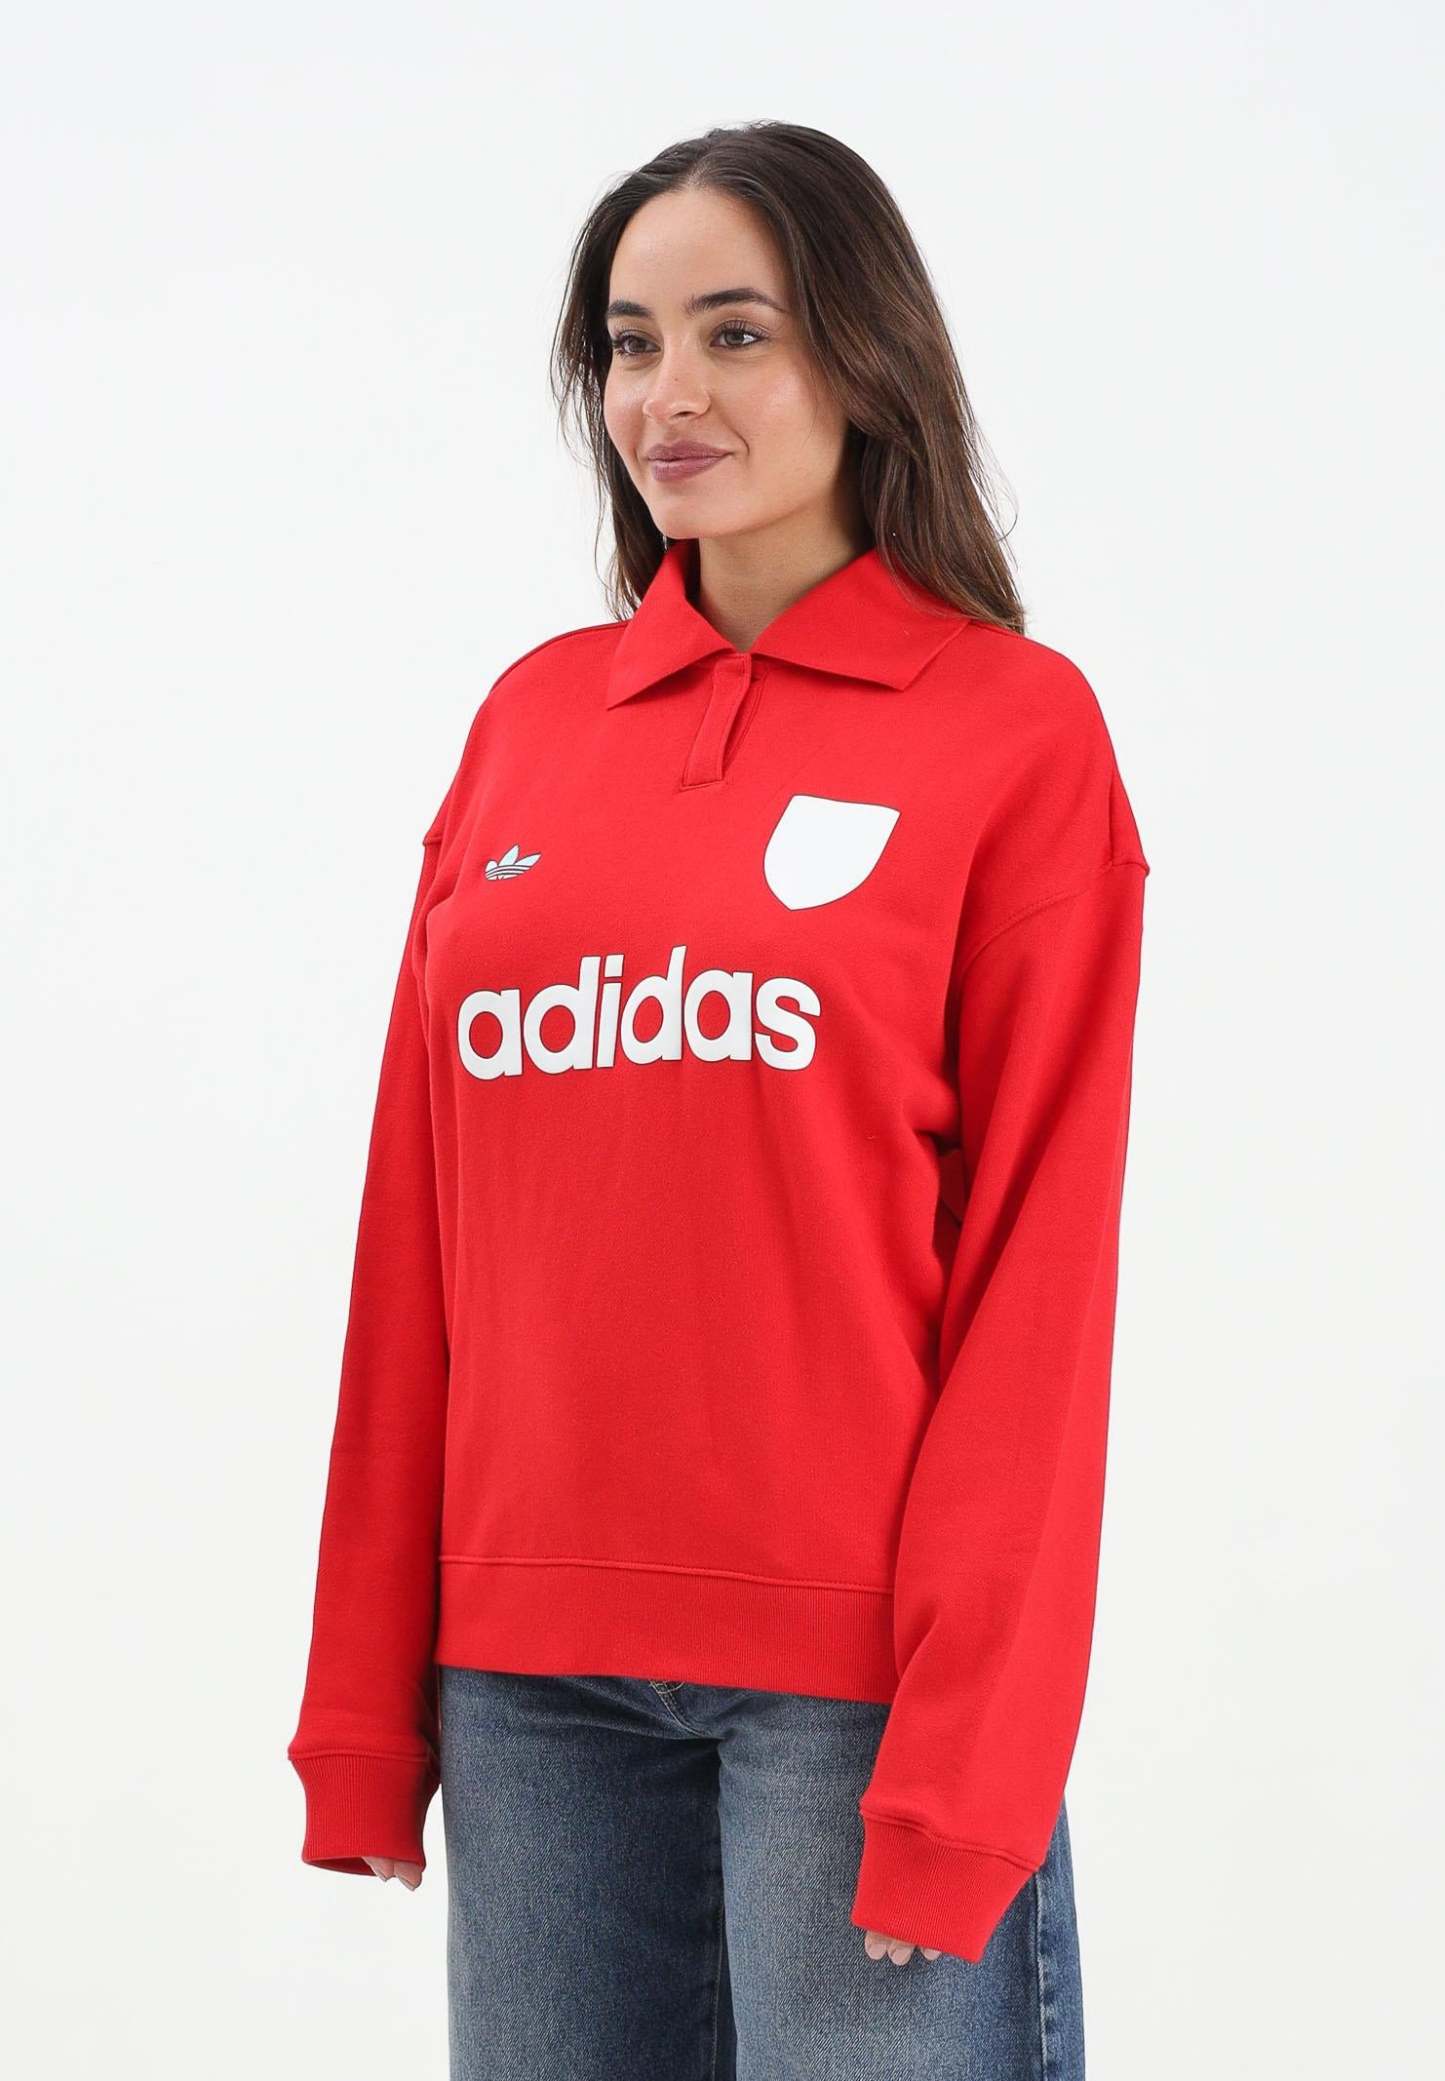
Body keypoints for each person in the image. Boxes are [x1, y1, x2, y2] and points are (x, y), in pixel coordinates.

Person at [287, 118, 1150, 2079]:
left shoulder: (1013, 736)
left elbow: (1039, 1290)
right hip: (525, 1683)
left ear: (864, 354)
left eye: (734, 334)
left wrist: (966, 1763)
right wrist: (363, 1704)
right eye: (629, 342)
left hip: (856, 1701)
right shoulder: (529, 727)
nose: (666, 394)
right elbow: (420, 1234)